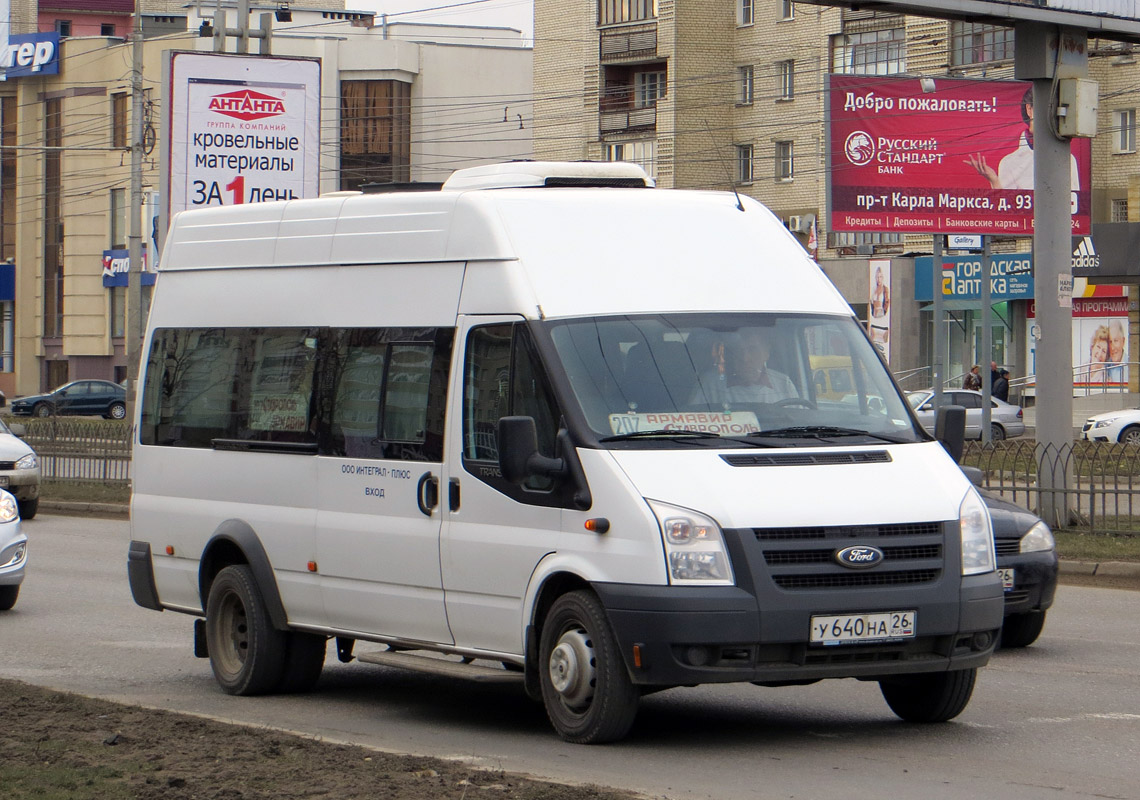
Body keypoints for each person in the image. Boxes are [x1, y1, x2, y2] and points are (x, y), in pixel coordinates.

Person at [966, 87, 1079, 193]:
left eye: (1054, 110)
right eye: (1045, 108)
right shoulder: (1009, 162)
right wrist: (994, 180)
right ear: (1029, 109)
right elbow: (1006, 206)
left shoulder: (1067, 159)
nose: (1050, 115)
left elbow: (1076, 204)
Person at [691, 329, 797, 407]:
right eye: (738, 351)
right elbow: (694, 422)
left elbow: (798, 425)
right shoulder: (710, 383)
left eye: (753, 350)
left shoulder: (783, 384)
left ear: (766, 353)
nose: (745, 359)